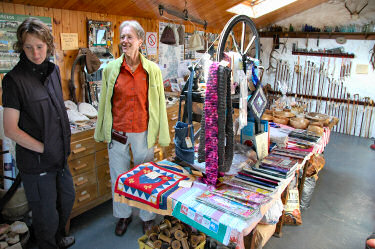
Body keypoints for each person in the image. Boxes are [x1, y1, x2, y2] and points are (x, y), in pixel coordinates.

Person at [2, 17, 75, 249]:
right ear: (21, 47)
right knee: (45, 216)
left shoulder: (52, 71)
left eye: (40, 46)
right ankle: (48, 243)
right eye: (29, 47)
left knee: (66, 199)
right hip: (37, 162)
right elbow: (10, 129)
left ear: (48, 45)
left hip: (59, 158)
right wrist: (46, 148)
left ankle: (57, 239)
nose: (35, 53)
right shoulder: (14, 80)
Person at [94, 20, 170, 236]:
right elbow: (104, 104)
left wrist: (160, 134)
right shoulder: (110, 69)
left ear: (140, 40)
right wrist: (102, 130)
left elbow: (158, 104)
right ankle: (124, 216)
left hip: (142, 132)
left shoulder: (152, 70)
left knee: (145, 176)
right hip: (117, 131)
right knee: (119, 177)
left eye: (129, 37)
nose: (125, 41)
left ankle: (147, 217)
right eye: (123, 37)